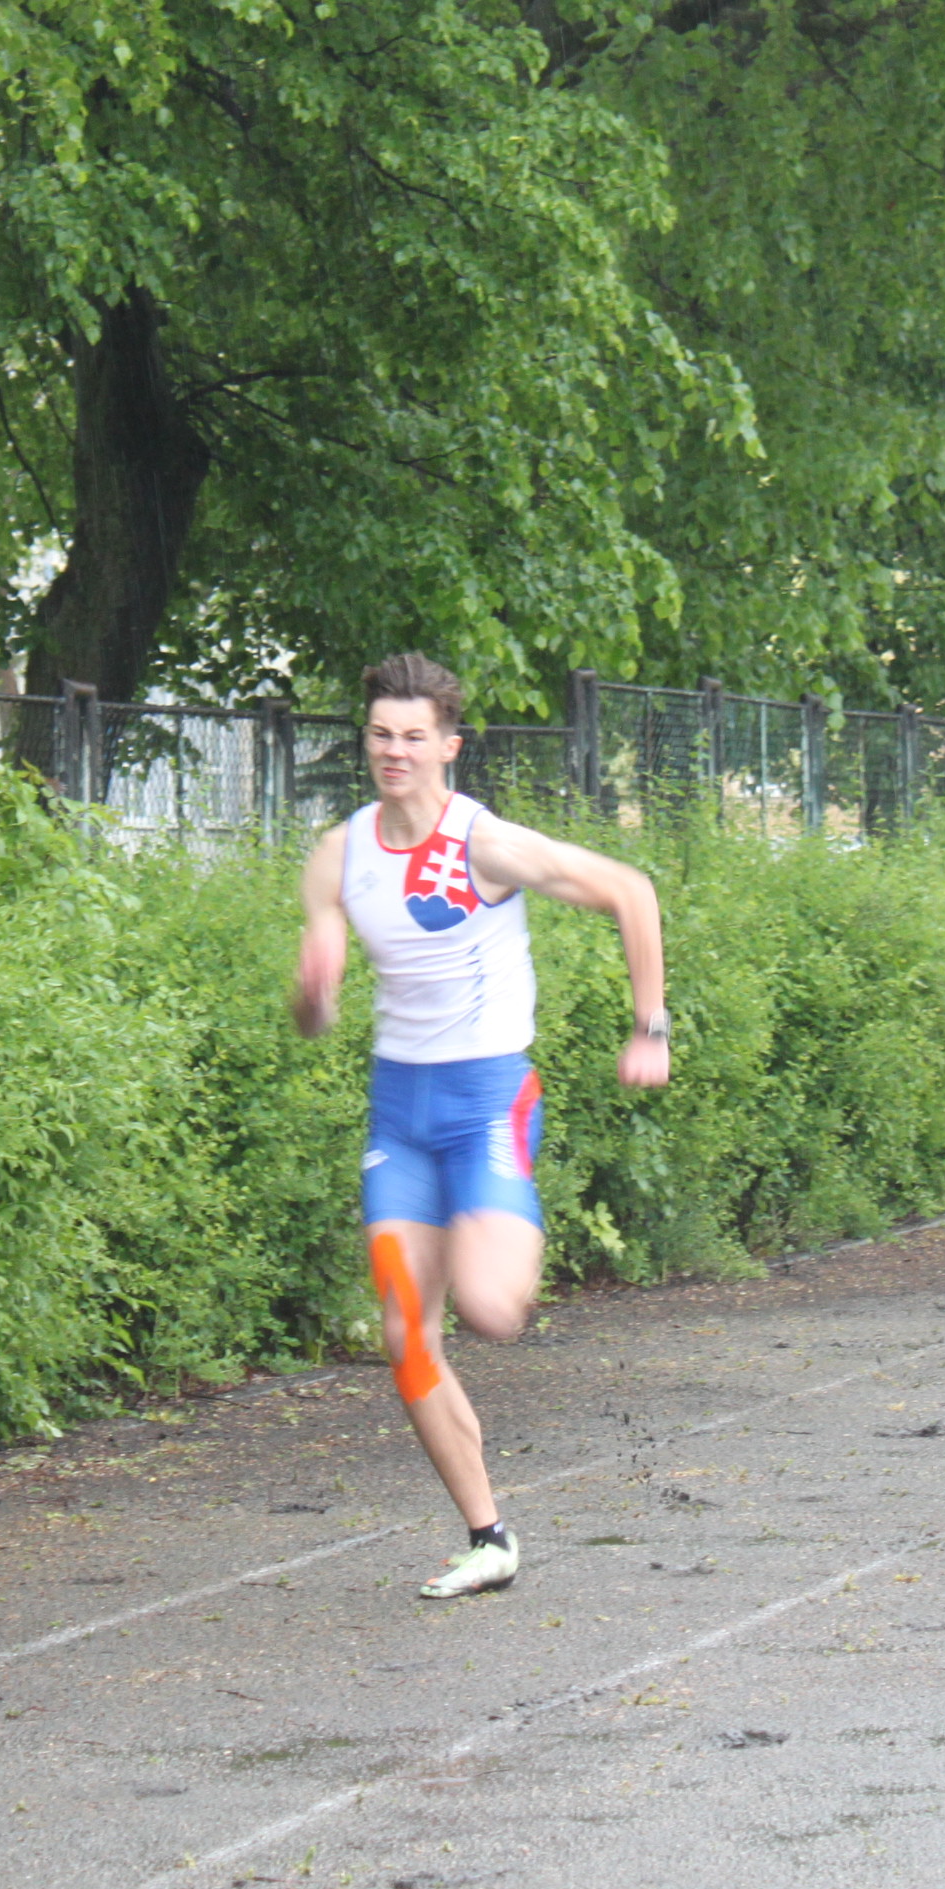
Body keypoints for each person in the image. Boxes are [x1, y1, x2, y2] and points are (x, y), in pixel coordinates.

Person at [291, 653, 671, 1598]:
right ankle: (488, 1536)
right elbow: (316, 1003)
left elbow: (630, 890)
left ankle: (496, 1220)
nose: (394, 751)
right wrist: (315, 996)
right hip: (399, 1111)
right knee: (405, 1333)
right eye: (381, 734)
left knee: (492, 1310)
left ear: (448, 747)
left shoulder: (484, 844)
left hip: (486, 1100)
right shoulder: (340, 854)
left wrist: (649, 1027)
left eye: (414, 737)